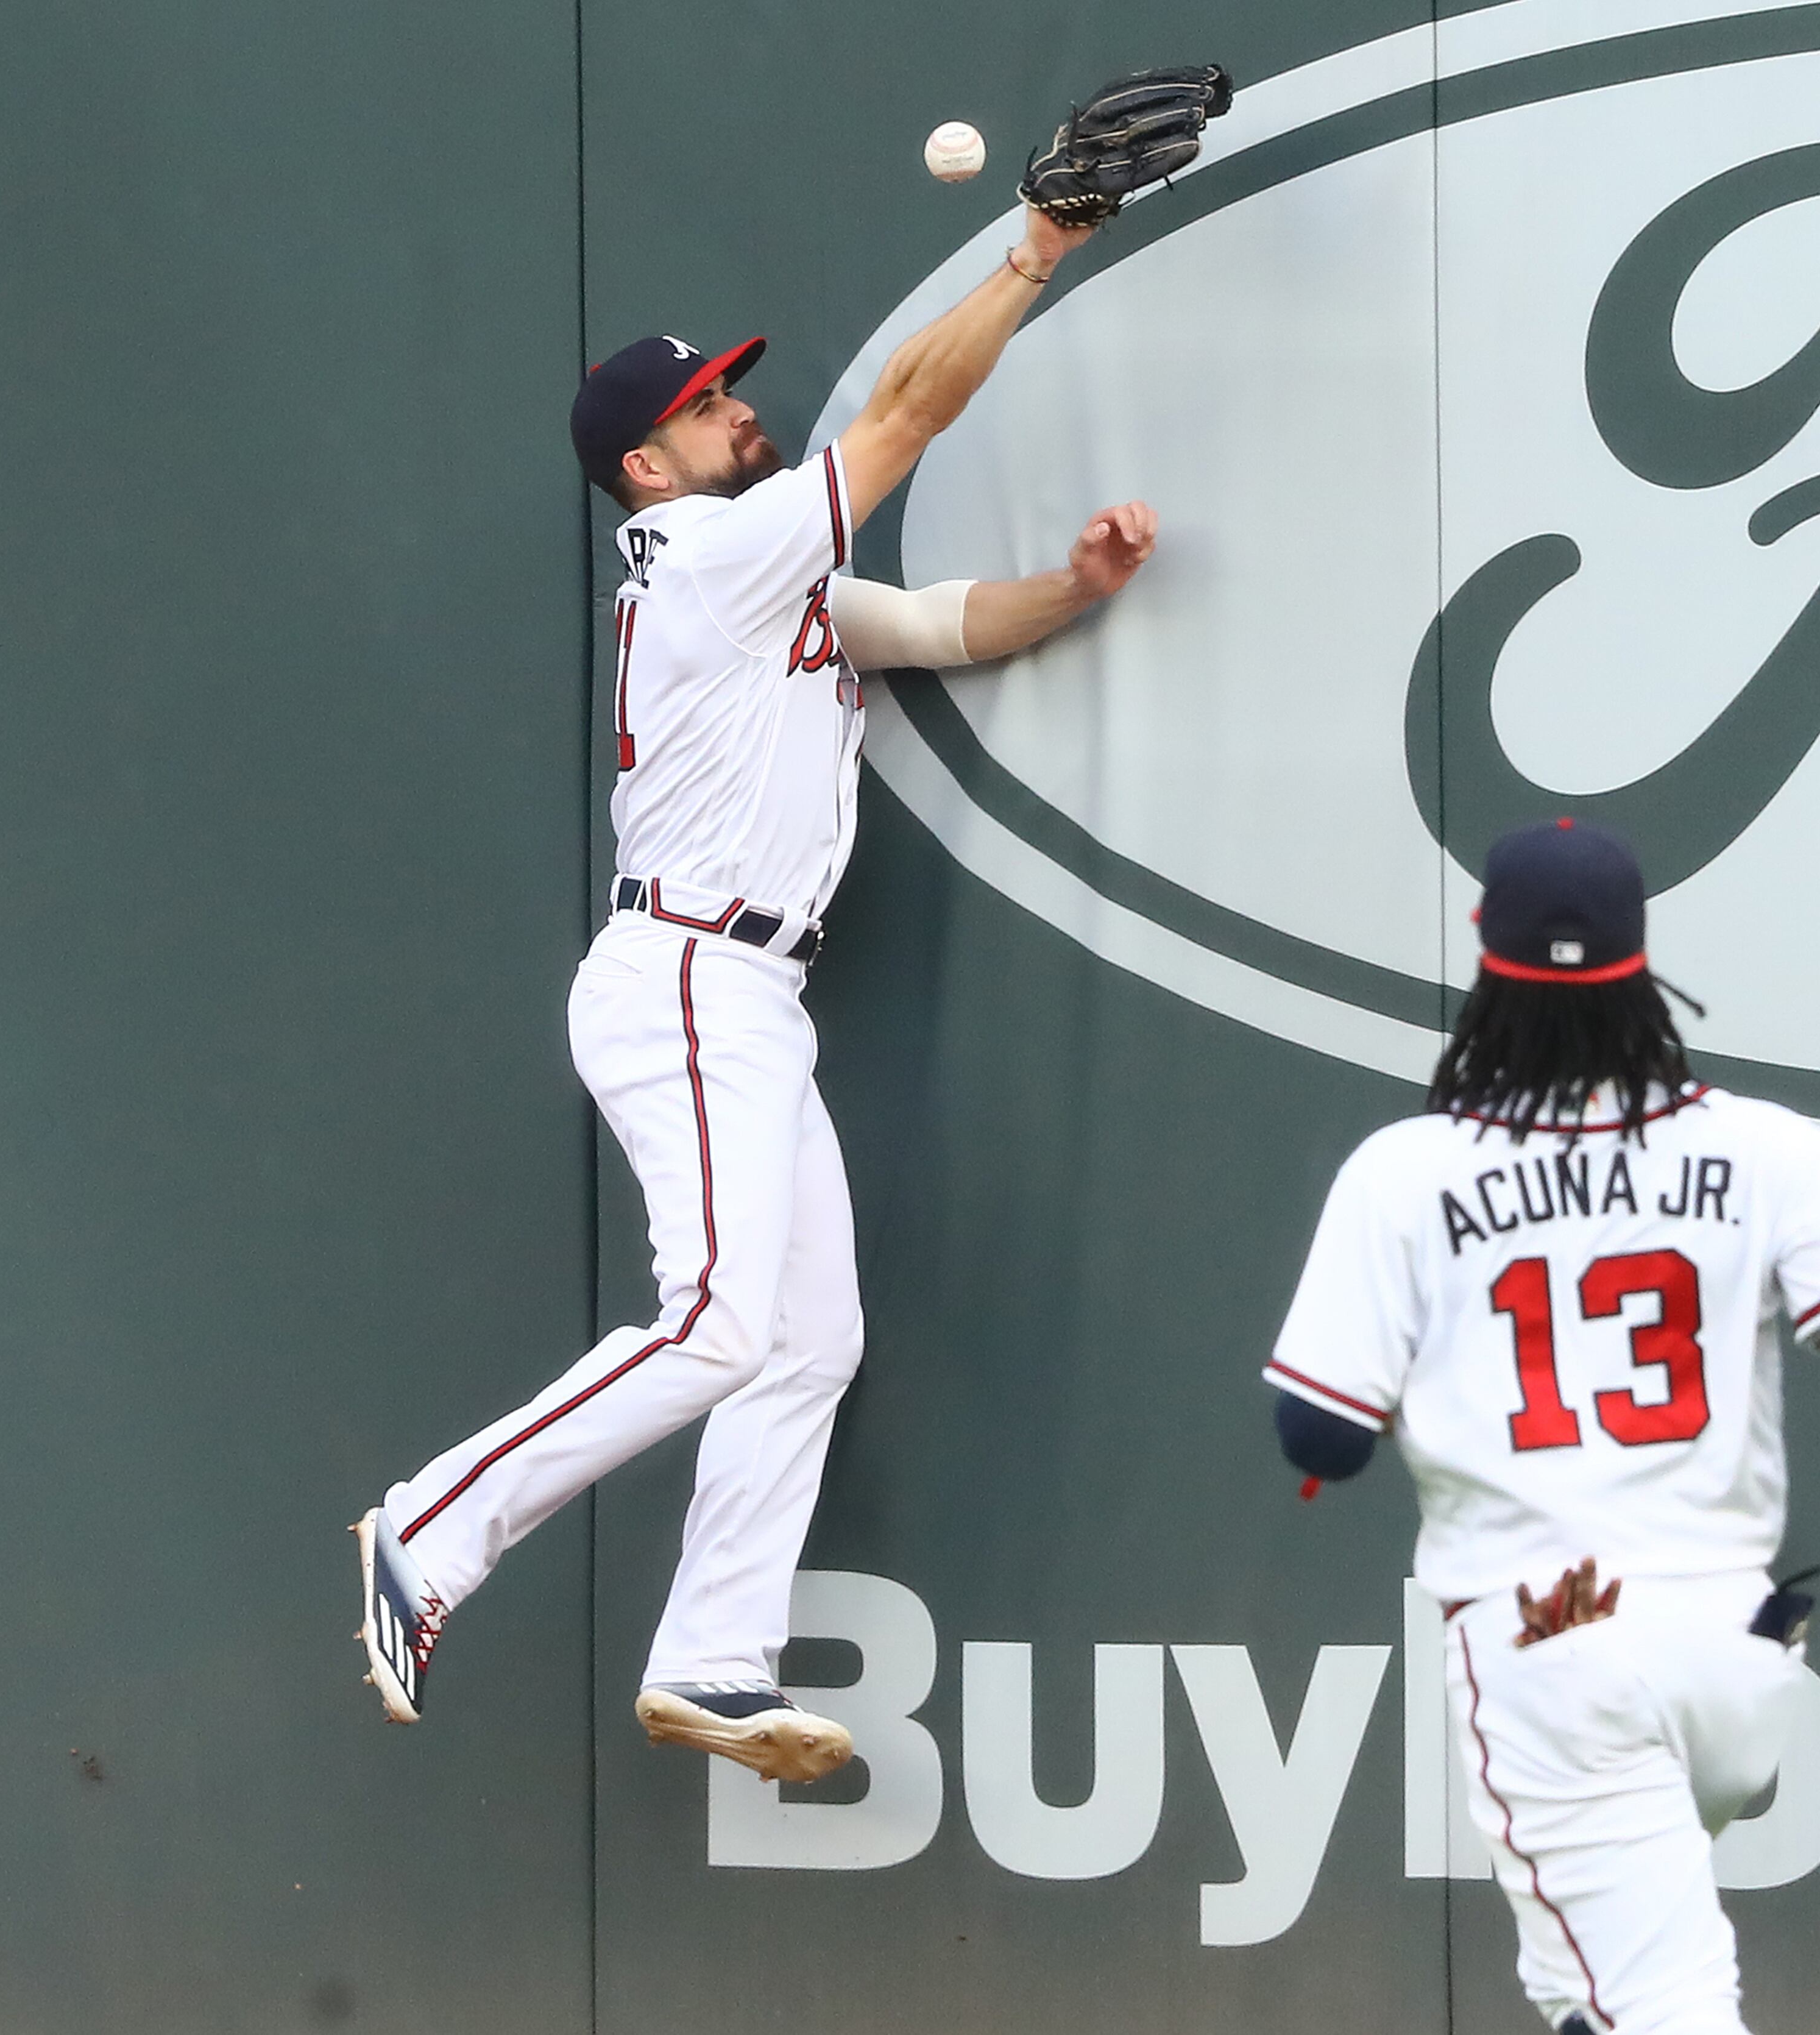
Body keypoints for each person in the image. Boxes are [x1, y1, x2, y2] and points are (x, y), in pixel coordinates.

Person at [353, 197, 1158, 1784]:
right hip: (686, 978)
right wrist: (1041, 242)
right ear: (647, 468)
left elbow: (937, 624)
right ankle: (432, 1525)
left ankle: (715, 1660)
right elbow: (910, 412)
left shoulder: (757, 575)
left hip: (746, 996)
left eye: (731, 388)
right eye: (705, 403)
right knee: (723, 1326)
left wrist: (1071, 589)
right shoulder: (722, 548)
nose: (741, 407)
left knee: (807, 1343)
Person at [1266, 818, 1820, 2035]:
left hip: (1558, 1637)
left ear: (1488, 963)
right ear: (1641, 970)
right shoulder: (1765, 1146)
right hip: (1743, 1643)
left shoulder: (1410, 1169)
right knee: (1589, 1987)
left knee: (1662, 2007)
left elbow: (1320, 1437)